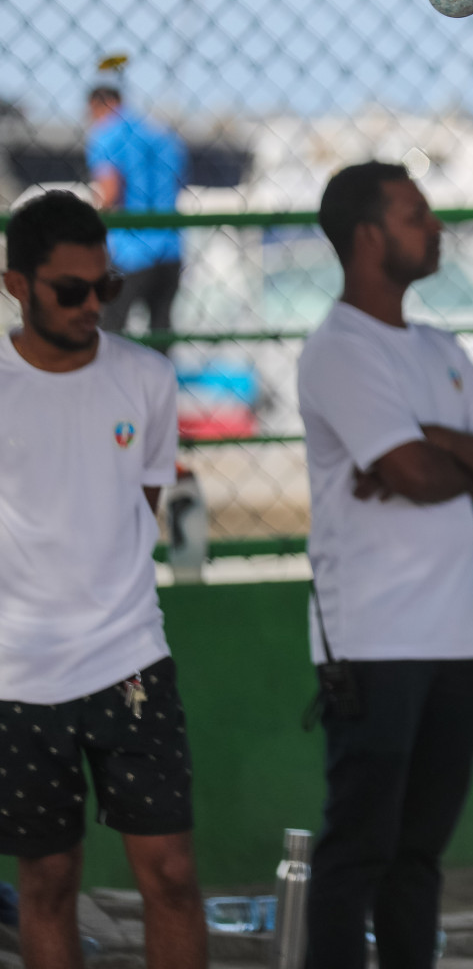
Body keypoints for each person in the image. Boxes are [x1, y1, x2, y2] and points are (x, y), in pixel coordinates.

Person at [298, 162, 473, 969]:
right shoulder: (338, 349)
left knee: (419, 856)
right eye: (414, 214)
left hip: (458, 641)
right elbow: (418, 479)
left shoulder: (439, 346)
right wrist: (441, 454)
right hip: (371, 640)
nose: (435, 227)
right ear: (368, 236)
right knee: (358, 850)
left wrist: (429, 438)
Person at [0, 191, 207, 967]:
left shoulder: (147, 379)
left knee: (175, 876)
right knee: (47, 883)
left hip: (130, 660)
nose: (93, 305)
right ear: (15, 285)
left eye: (106, 288)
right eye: (70, 290)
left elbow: (143, 508)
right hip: (16, 676)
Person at [86, 84, 187, 342]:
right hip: (170, 246)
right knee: (161, 332)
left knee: (111, 333)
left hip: (129, 250)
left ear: (101, 105)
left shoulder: (106, 135)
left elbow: (109, 193)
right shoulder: (163, 135)